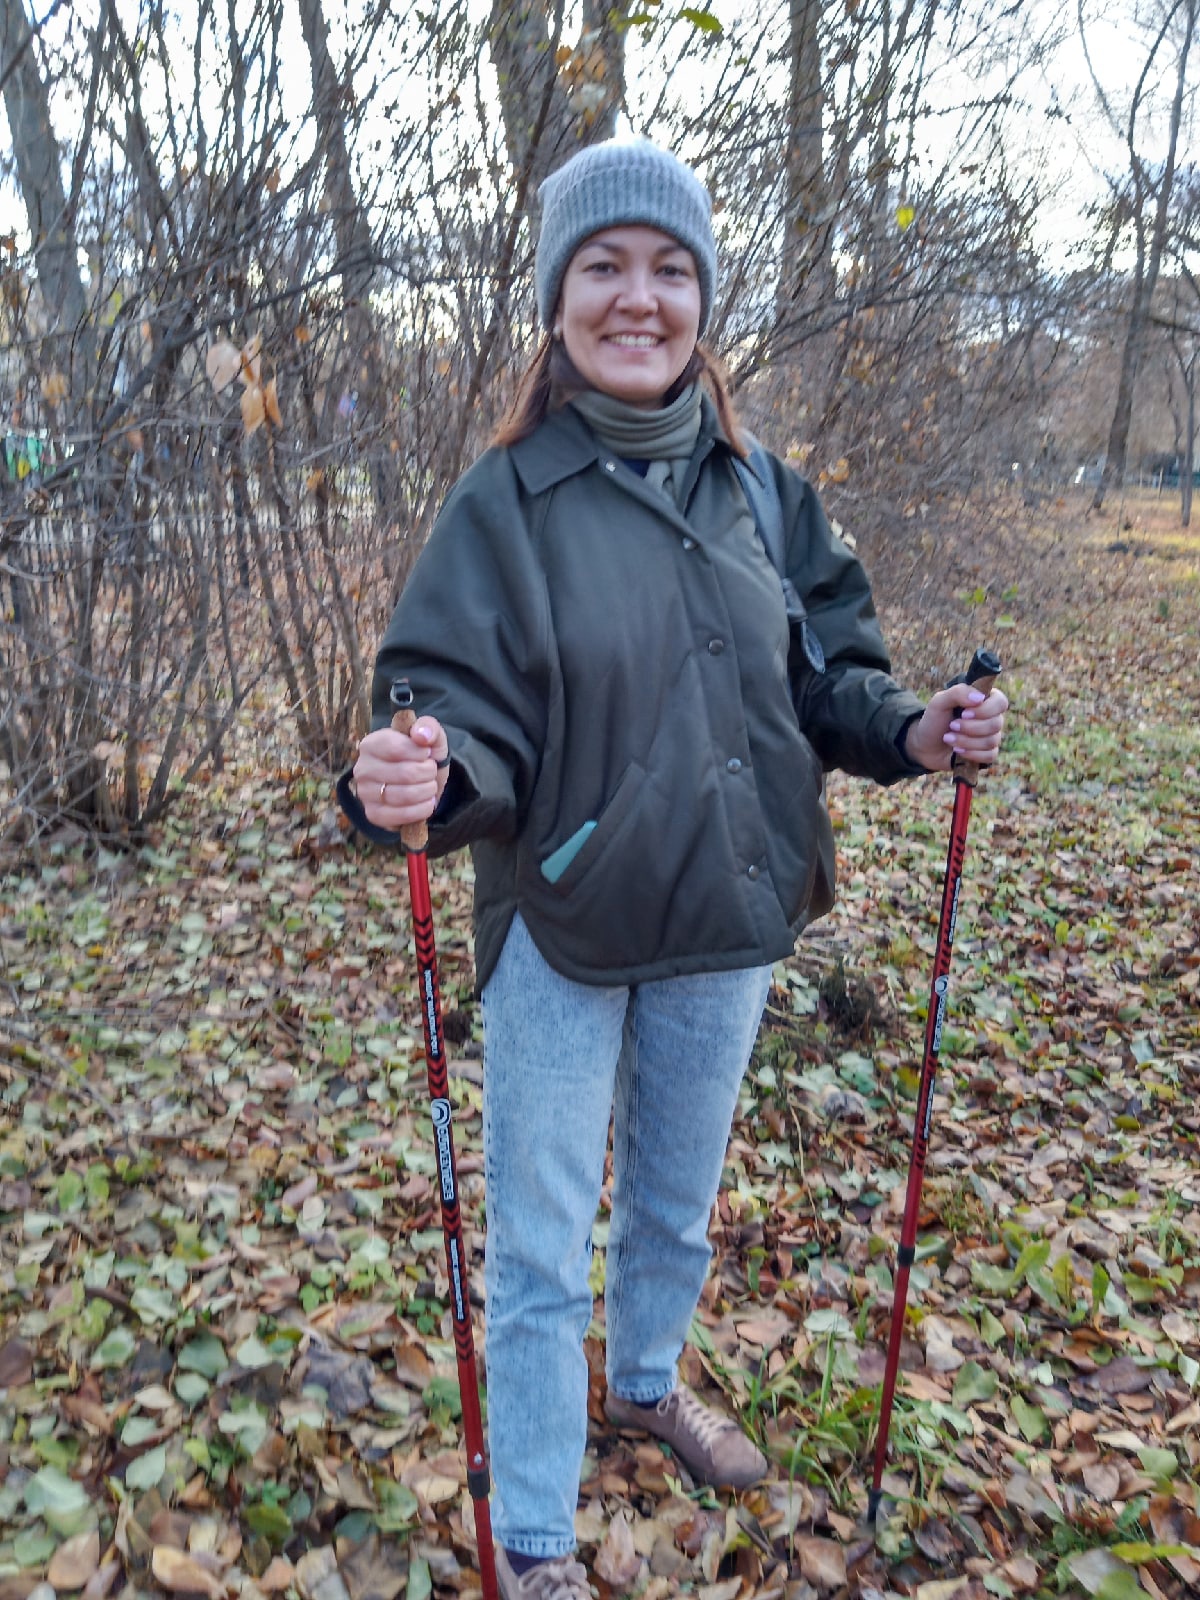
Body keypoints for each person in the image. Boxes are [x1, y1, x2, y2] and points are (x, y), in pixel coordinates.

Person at [347, 138, 1008, 1600]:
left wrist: (914, 729)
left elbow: (829, 675)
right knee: (538, 1247)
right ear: (557, 298)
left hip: (727, 906)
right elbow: (453, 713)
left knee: (674, 1201)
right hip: (564, 922)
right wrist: (420, 774)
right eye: (603, 266)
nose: (636, 297)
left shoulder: (765, 491)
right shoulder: (504, 504)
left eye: (667, 268)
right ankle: (533, 1538)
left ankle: (646, 1380)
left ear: (703, 297)